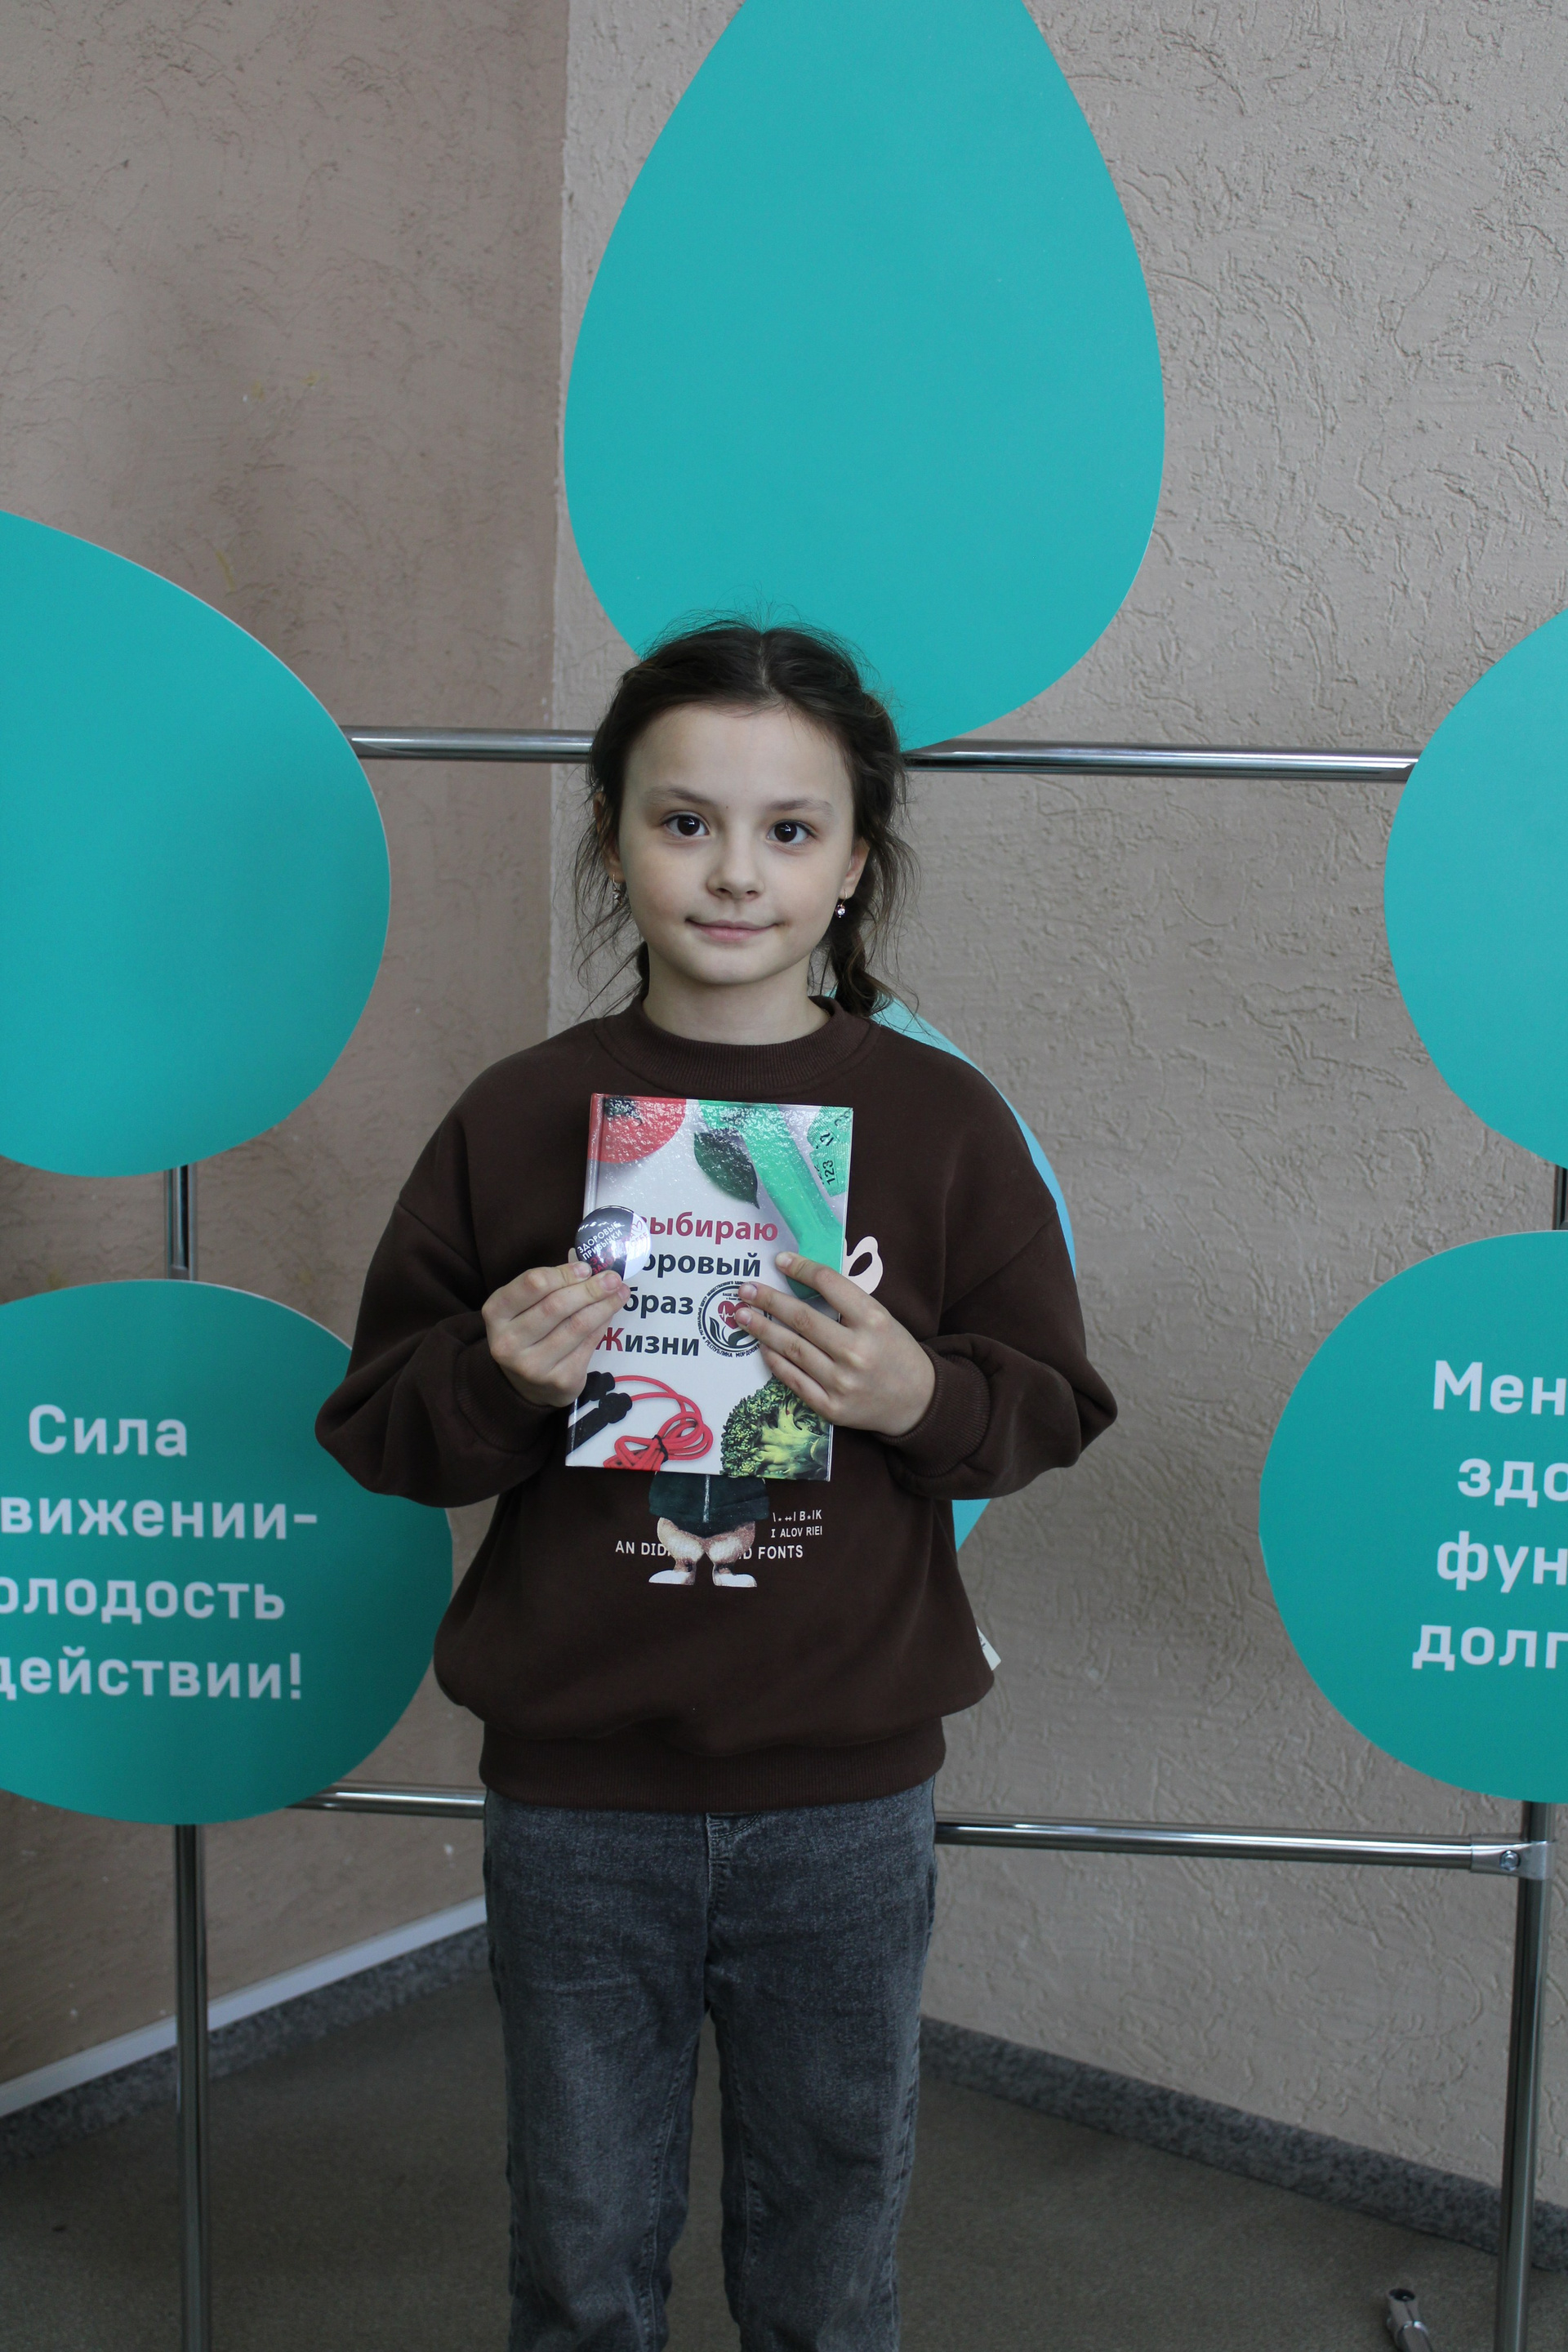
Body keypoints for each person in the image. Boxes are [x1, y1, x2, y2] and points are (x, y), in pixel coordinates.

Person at [317, 621, 1116, 2352]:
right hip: (577, 1798)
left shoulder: (943, 1123)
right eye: (685, 822)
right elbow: (381, 1428)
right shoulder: (520, 1117)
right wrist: (501, 1379)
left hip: (846, 1801)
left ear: (855, 861)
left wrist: (920, 1395)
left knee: (831, 2240)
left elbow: (1053, 1404)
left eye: (789, 829)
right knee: (581, 2241)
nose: (736, 871)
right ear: (611, 838)